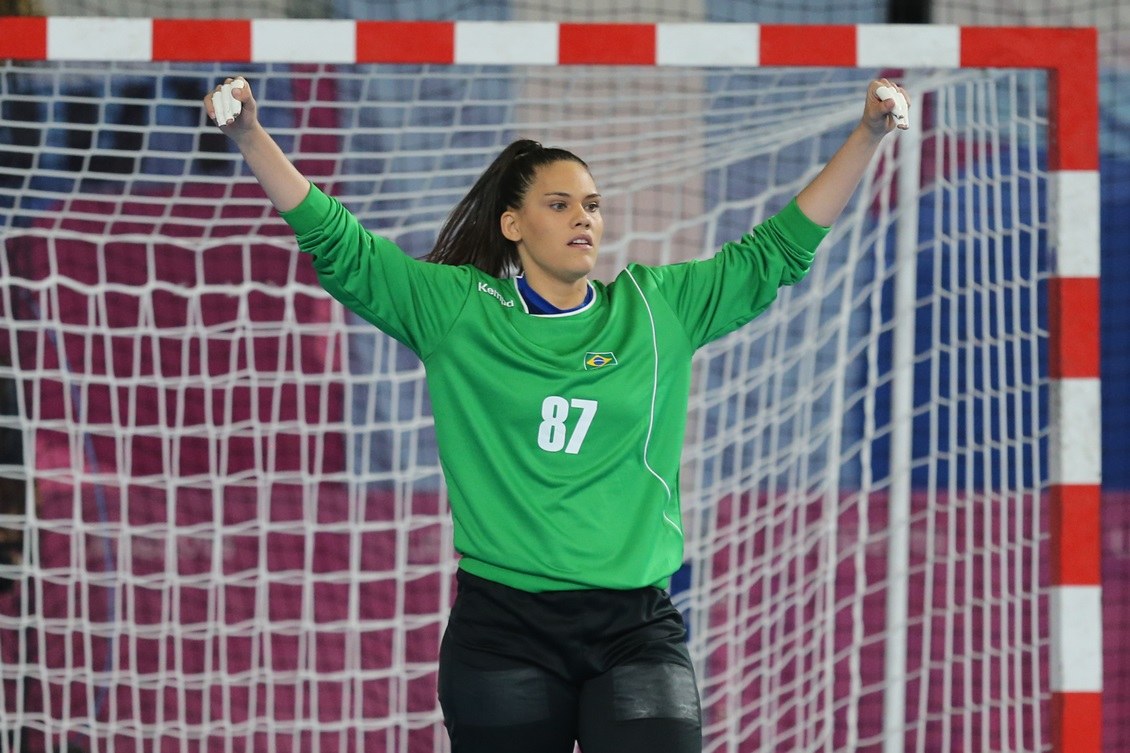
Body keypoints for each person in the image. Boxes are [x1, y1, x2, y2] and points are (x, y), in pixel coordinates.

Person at [204, 75, 908, 753]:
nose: (584, 218)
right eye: (561, 203)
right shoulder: (457, 311)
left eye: (593, 205)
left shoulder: (657, 309)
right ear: (512, 223)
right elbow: (343, 248)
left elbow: (777, 251)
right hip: (502, 629)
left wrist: (868, 133)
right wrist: (252, 135)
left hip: (635, 627)